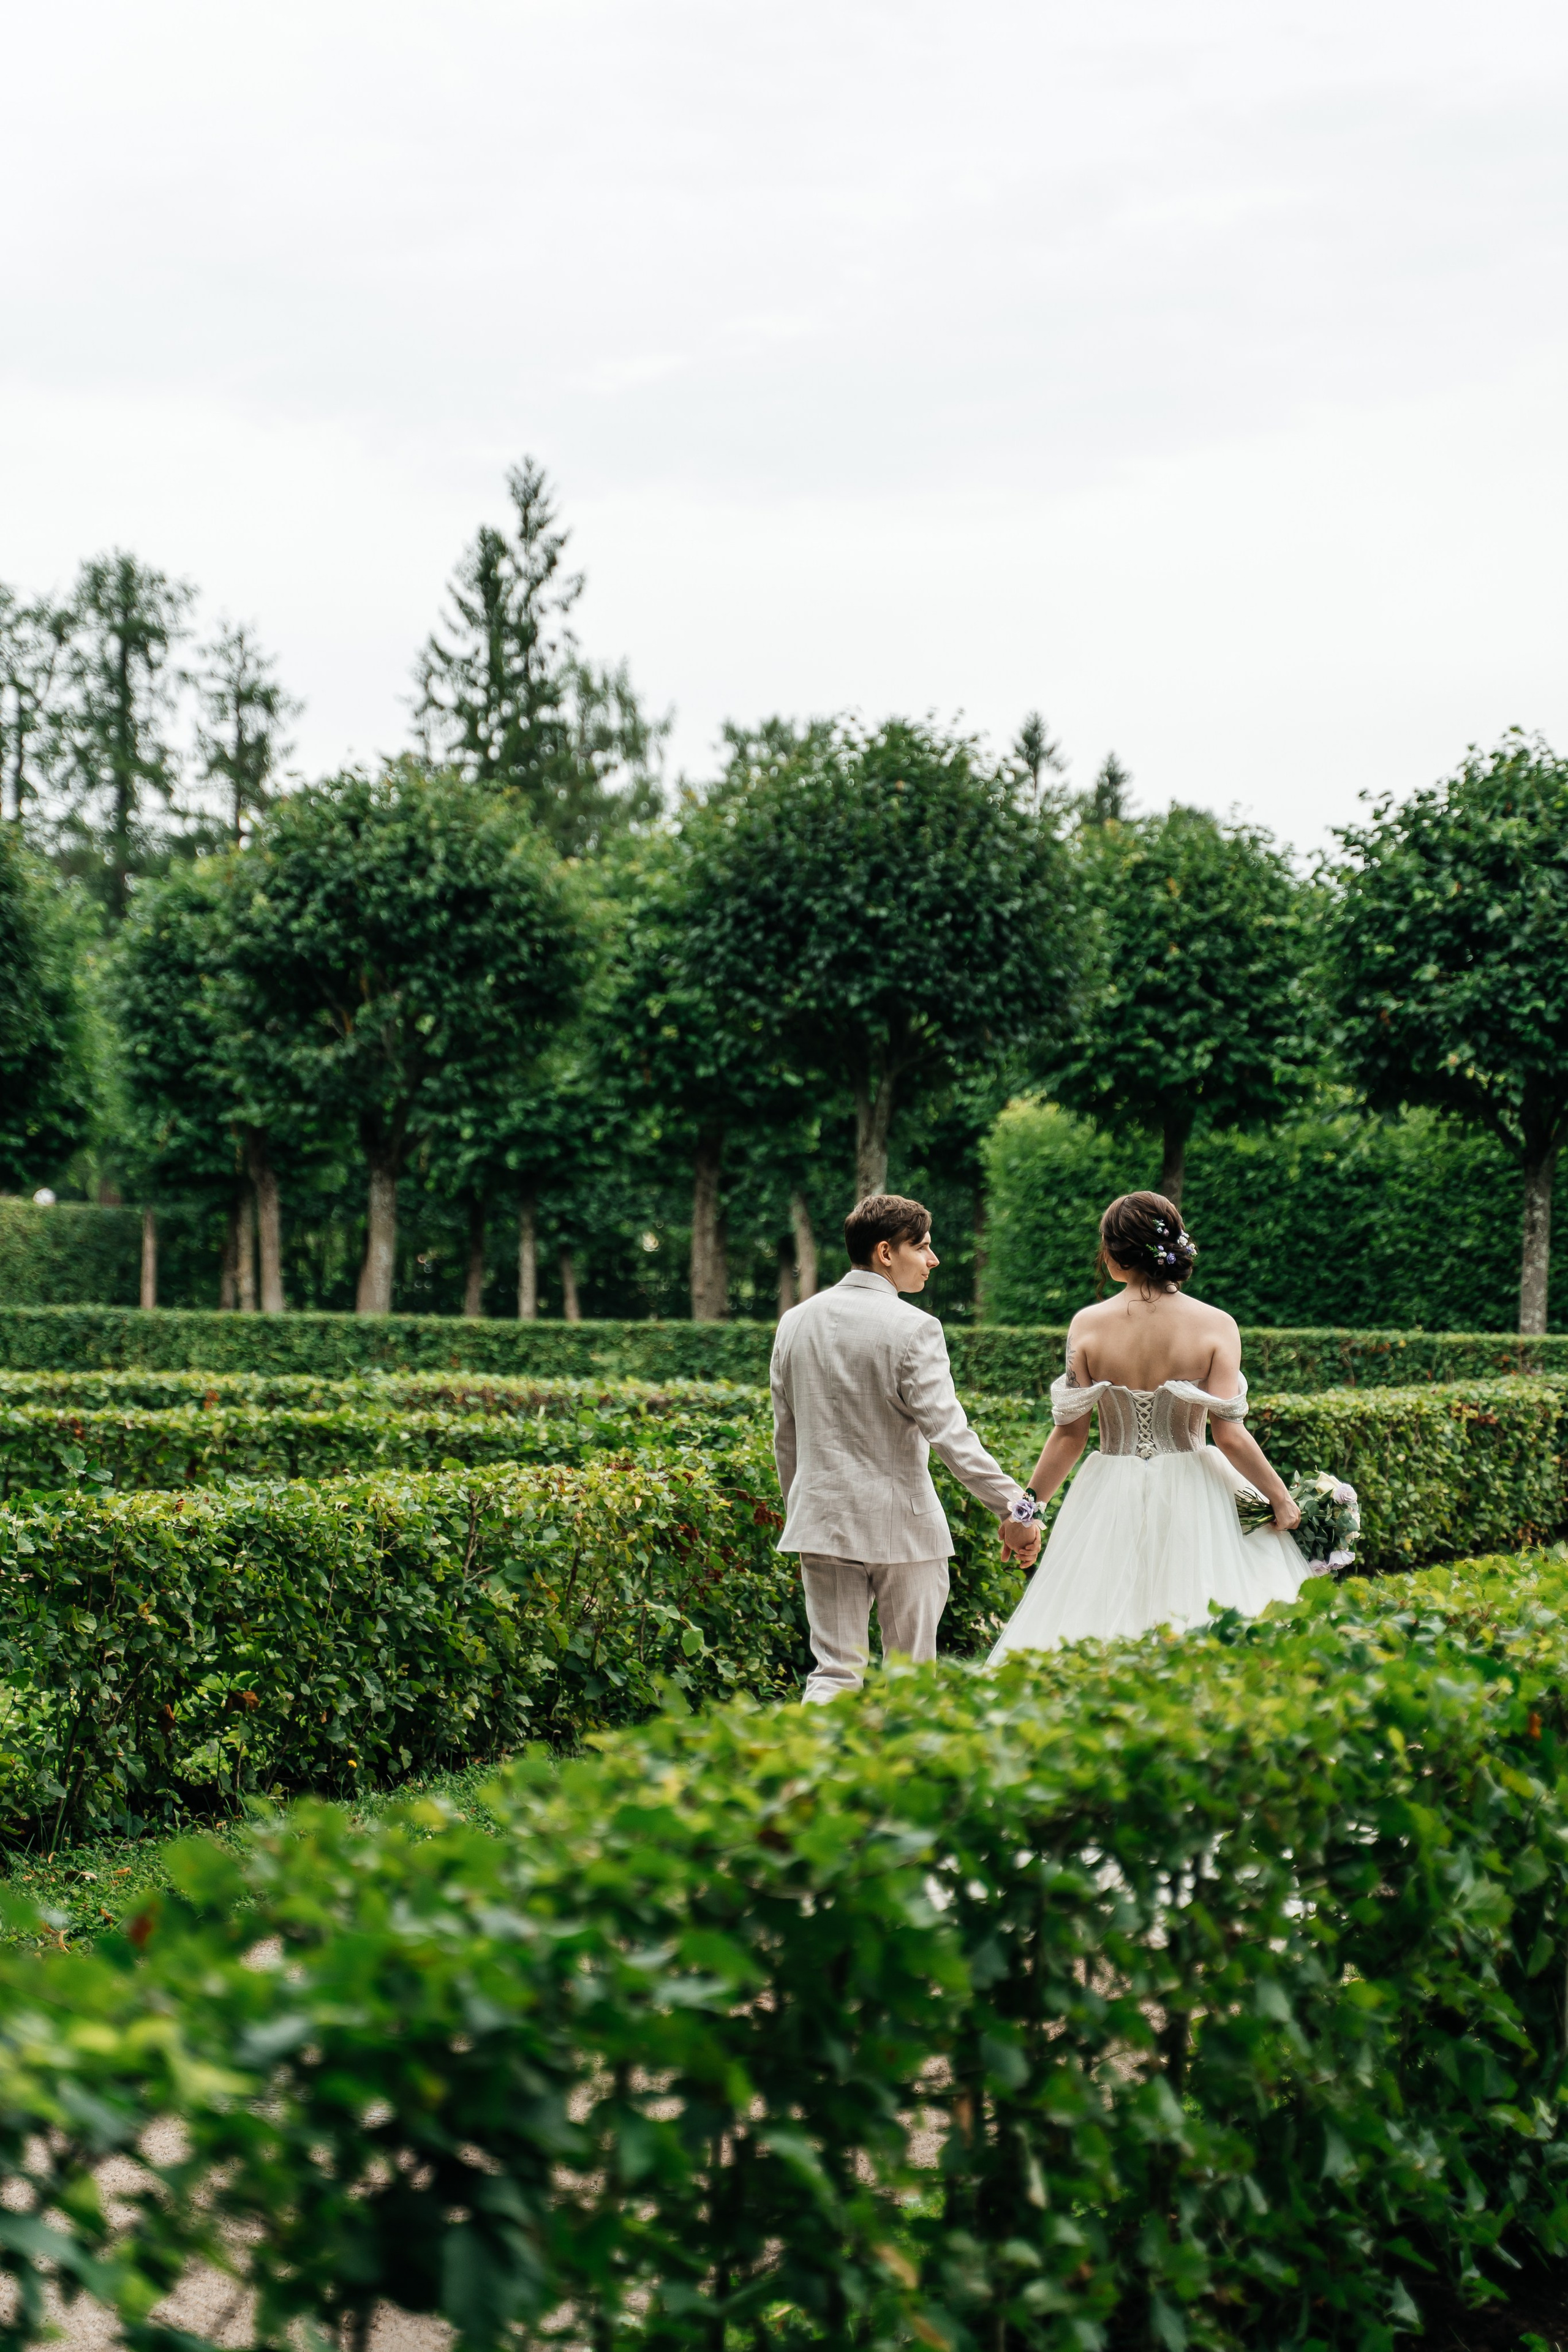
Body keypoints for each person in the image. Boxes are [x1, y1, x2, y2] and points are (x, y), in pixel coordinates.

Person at [989, 1190, 1306, 1659]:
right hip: (1198, 1490)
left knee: (1094, 1624)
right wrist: (1280, 1498)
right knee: (1209, 1618)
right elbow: (1230, 1436)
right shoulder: (1217, 1325)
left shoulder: (1088, 1326)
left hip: (1107, 1492)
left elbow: (1070, 1436)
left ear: (1115, 1254)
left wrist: (1025, 1514)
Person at [772, 1191, 1041, 1702]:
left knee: (833, 1676)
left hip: (821, 1523)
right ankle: (906, 1778)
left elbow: (786, 1436)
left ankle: (813, 1780)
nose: (933, 1260)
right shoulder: (915, 1327)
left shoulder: (794, 1322)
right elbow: (951, 1436)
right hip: (904, 1529)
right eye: (922, 1247)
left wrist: (800, 1509)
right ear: (885, 1252)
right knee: (911, 1680)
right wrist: (1020, 1510)